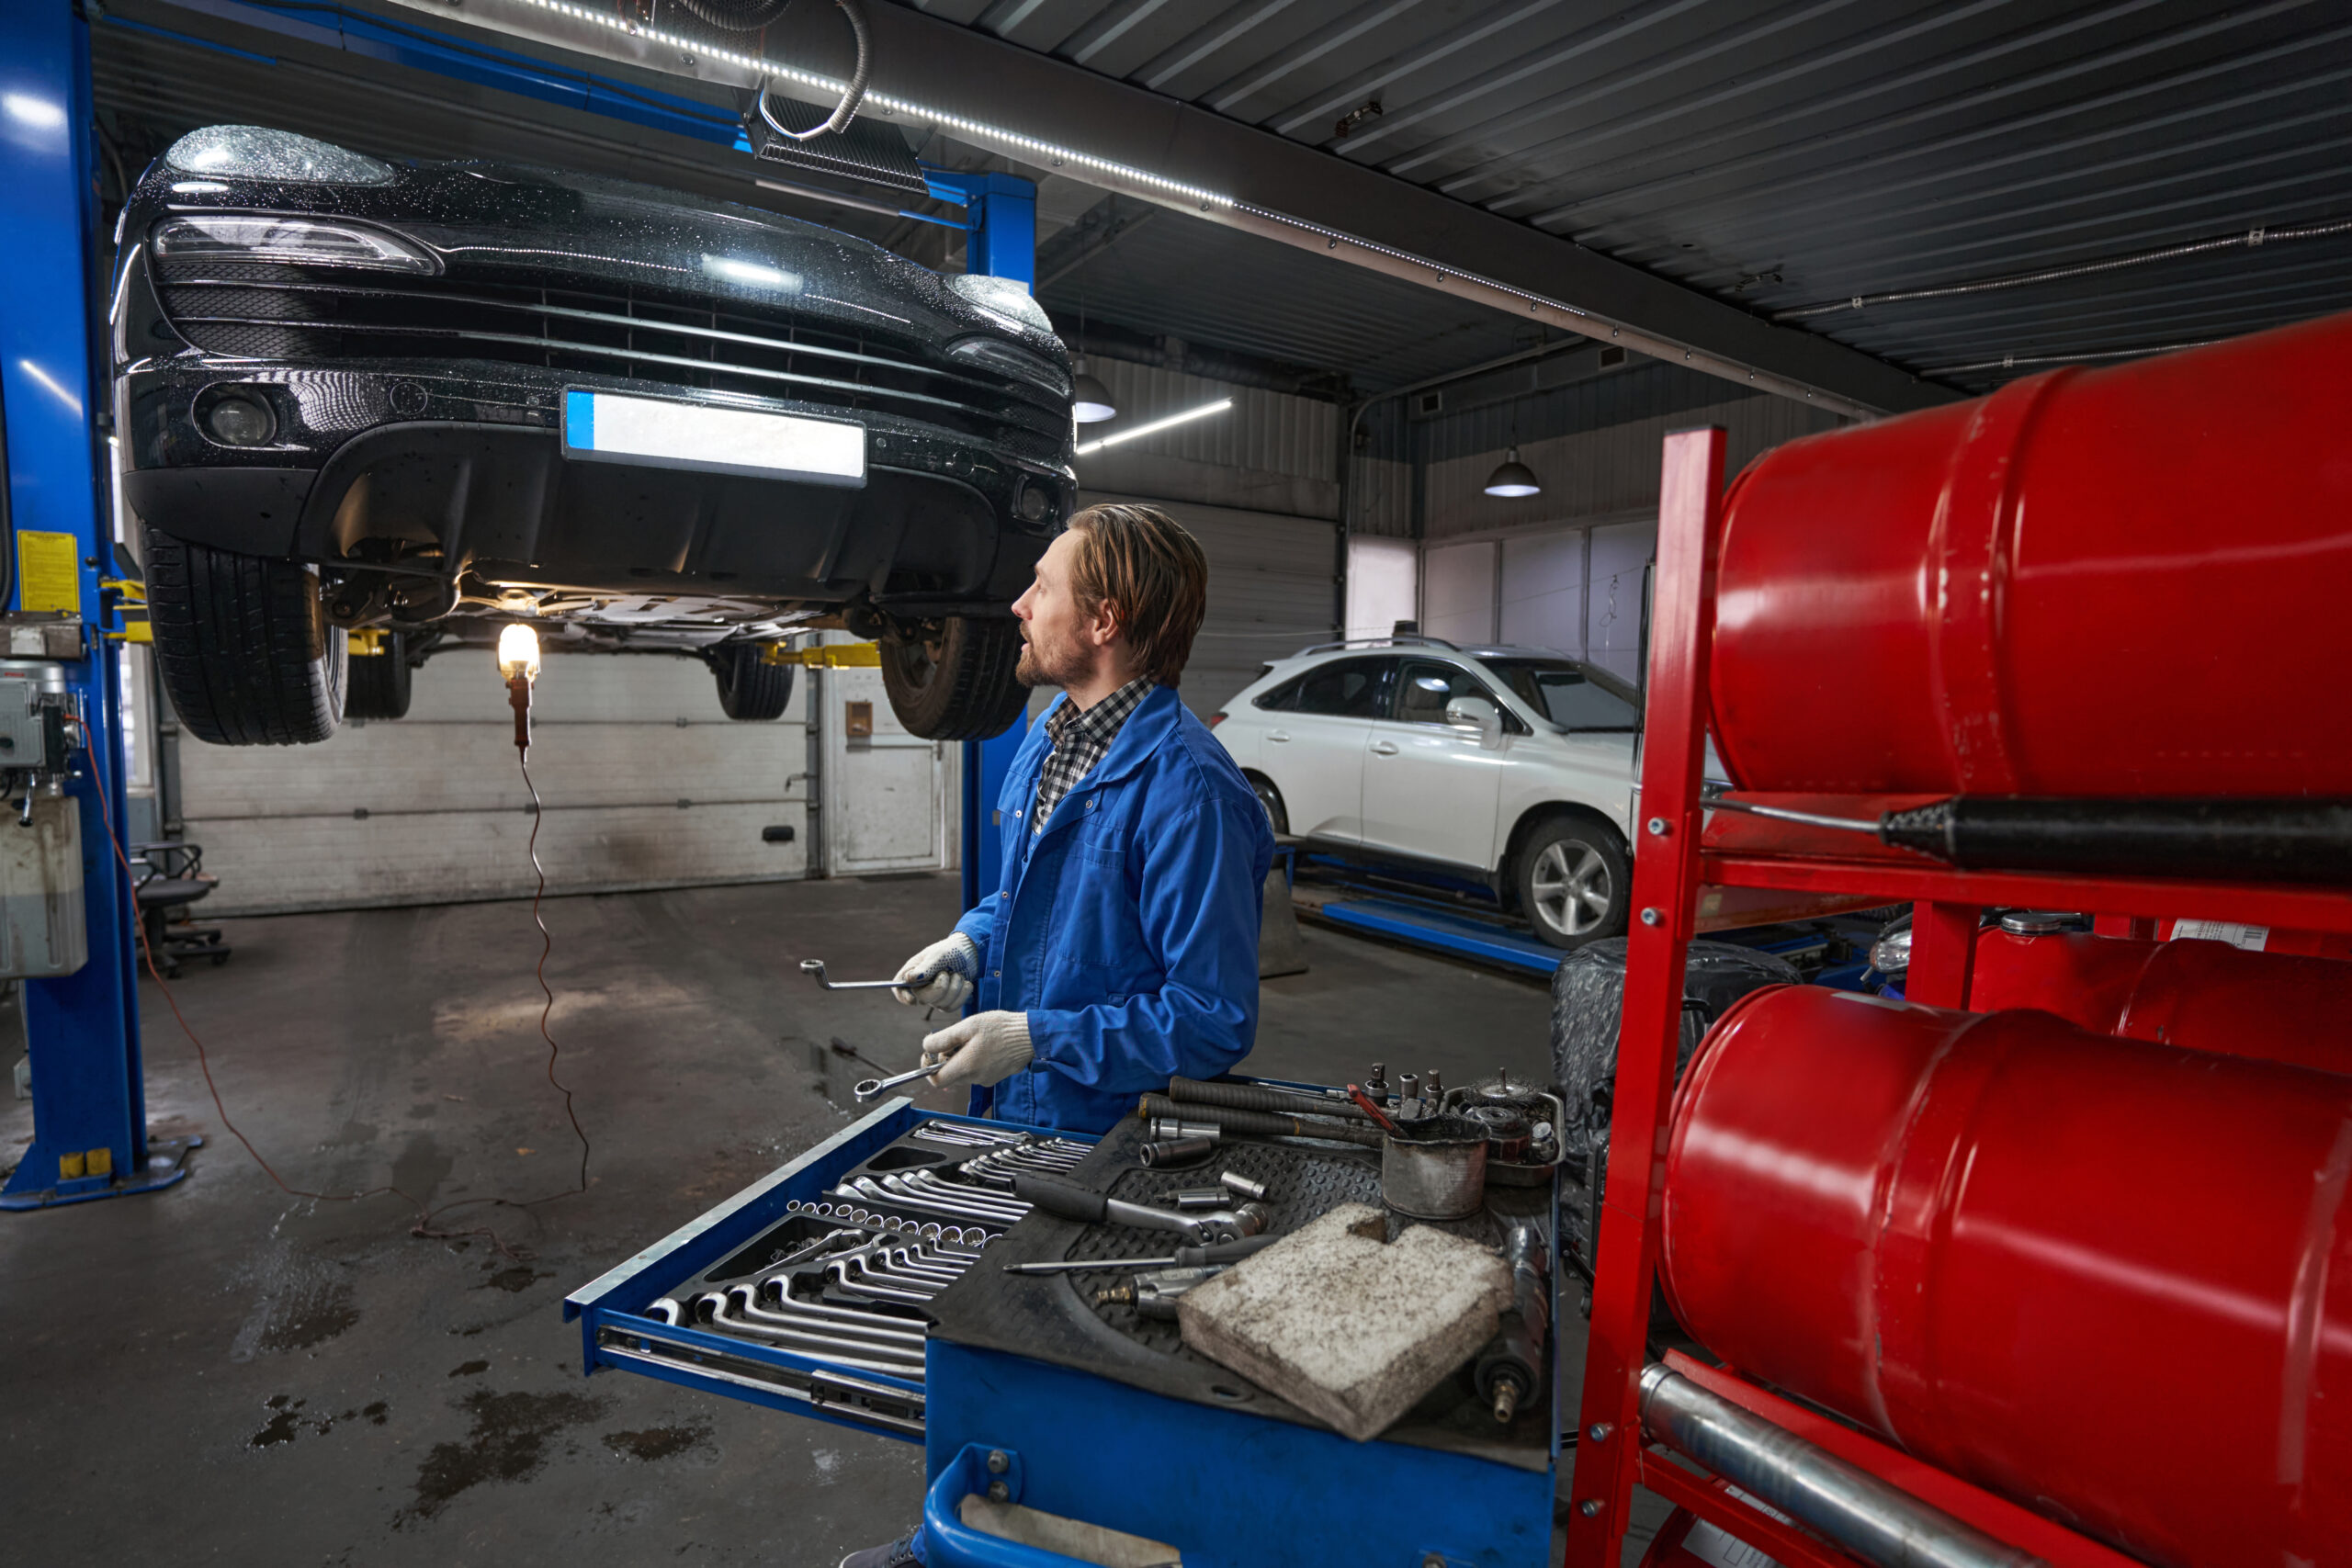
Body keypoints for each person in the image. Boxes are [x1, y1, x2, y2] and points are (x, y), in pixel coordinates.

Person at [837, 502, 1274, 1568]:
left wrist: (1039, 1037)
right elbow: (1025, 903)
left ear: (1105, 621)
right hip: (1026, 1127)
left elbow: (1212, 1021)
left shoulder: (1189, 792)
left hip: (1120, 1154)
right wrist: (967, 947)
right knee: (996, 1353)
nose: (1019, 604)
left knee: (1087, 1380)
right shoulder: (1045, 746)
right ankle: (966, 1544)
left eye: (1043, 586)